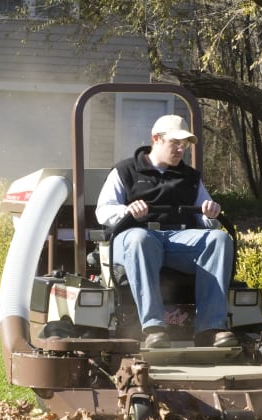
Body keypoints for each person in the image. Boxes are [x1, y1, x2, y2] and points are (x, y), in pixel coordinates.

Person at [95, 114, 239, 349]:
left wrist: (210, 215)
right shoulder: (125, 171)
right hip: (133, 236)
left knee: (219, 239)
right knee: (141, 239)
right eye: (176, 143)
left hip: (177, 238)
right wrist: (127, 211)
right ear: (156, 139)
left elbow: (205, 219)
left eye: (185, 144)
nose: (181, 149)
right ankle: (154, 328)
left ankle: (210, 328)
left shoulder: (190, 178)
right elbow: (103, 212)